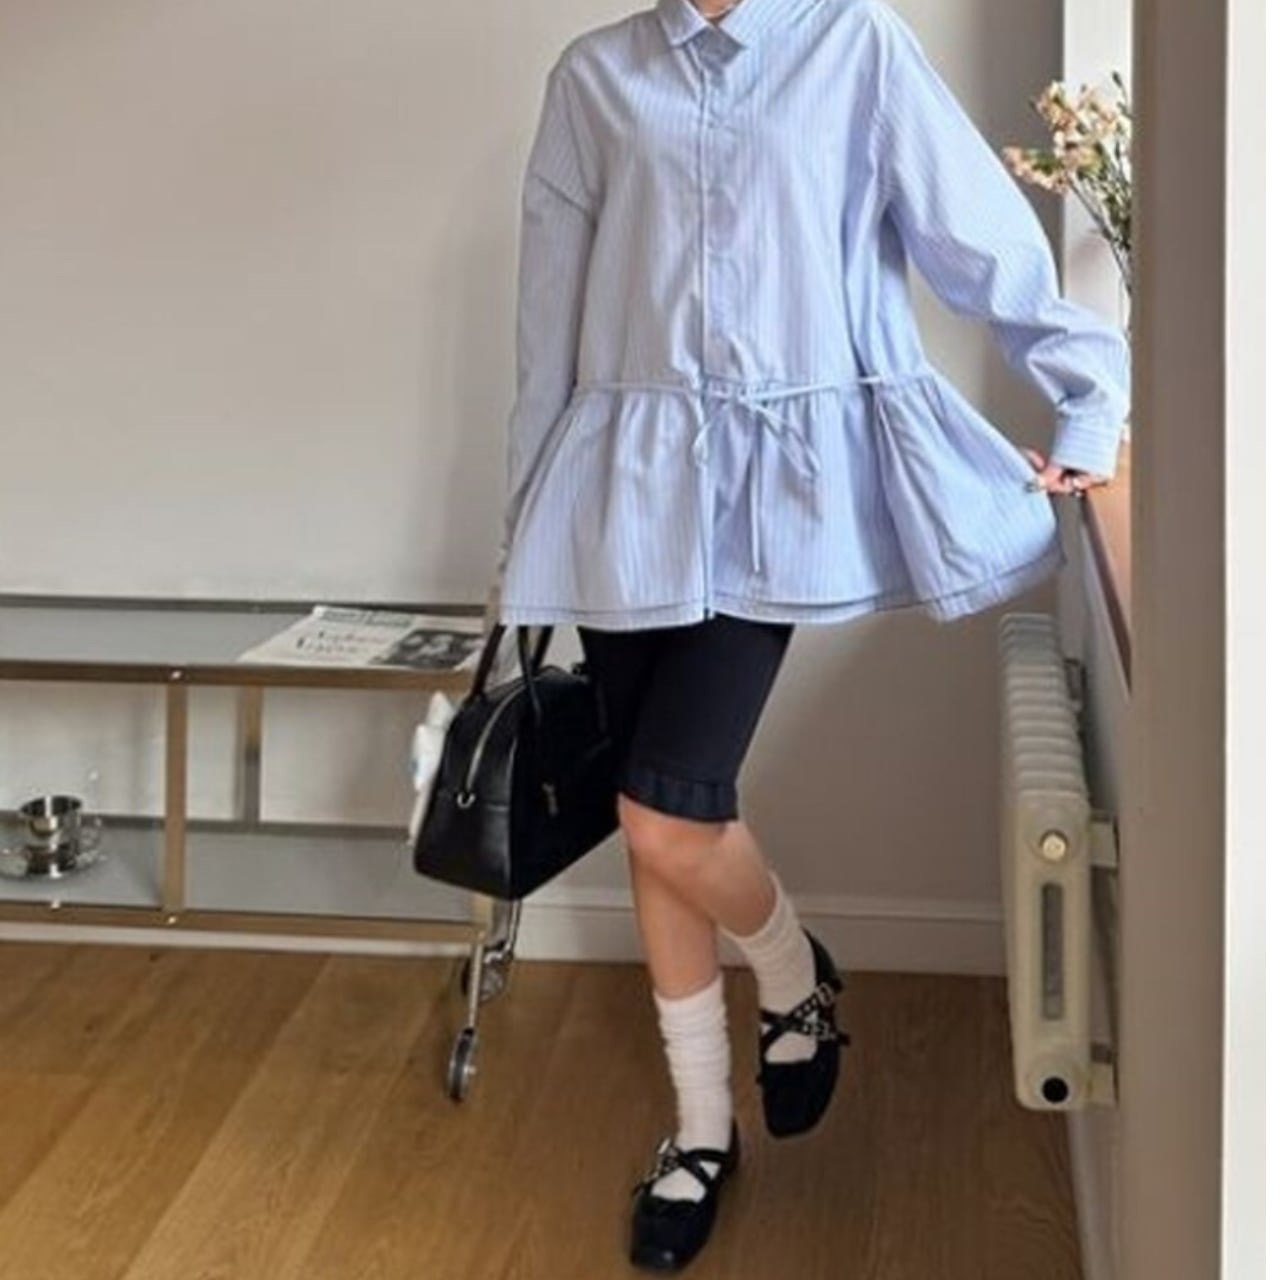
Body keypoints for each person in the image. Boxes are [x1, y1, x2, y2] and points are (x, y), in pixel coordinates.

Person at [483, 0, 1130, 1270]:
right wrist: (528, 526)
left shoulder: (855, 44)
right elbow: (545, 317)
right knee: (653, 813)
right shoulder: (594, 75)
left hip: (779, 491)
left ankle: (790, 973)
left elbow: (978, 240)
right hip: (625, 490)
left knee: (666, 807)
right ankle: (700, 1125)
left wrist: (1085, 401)